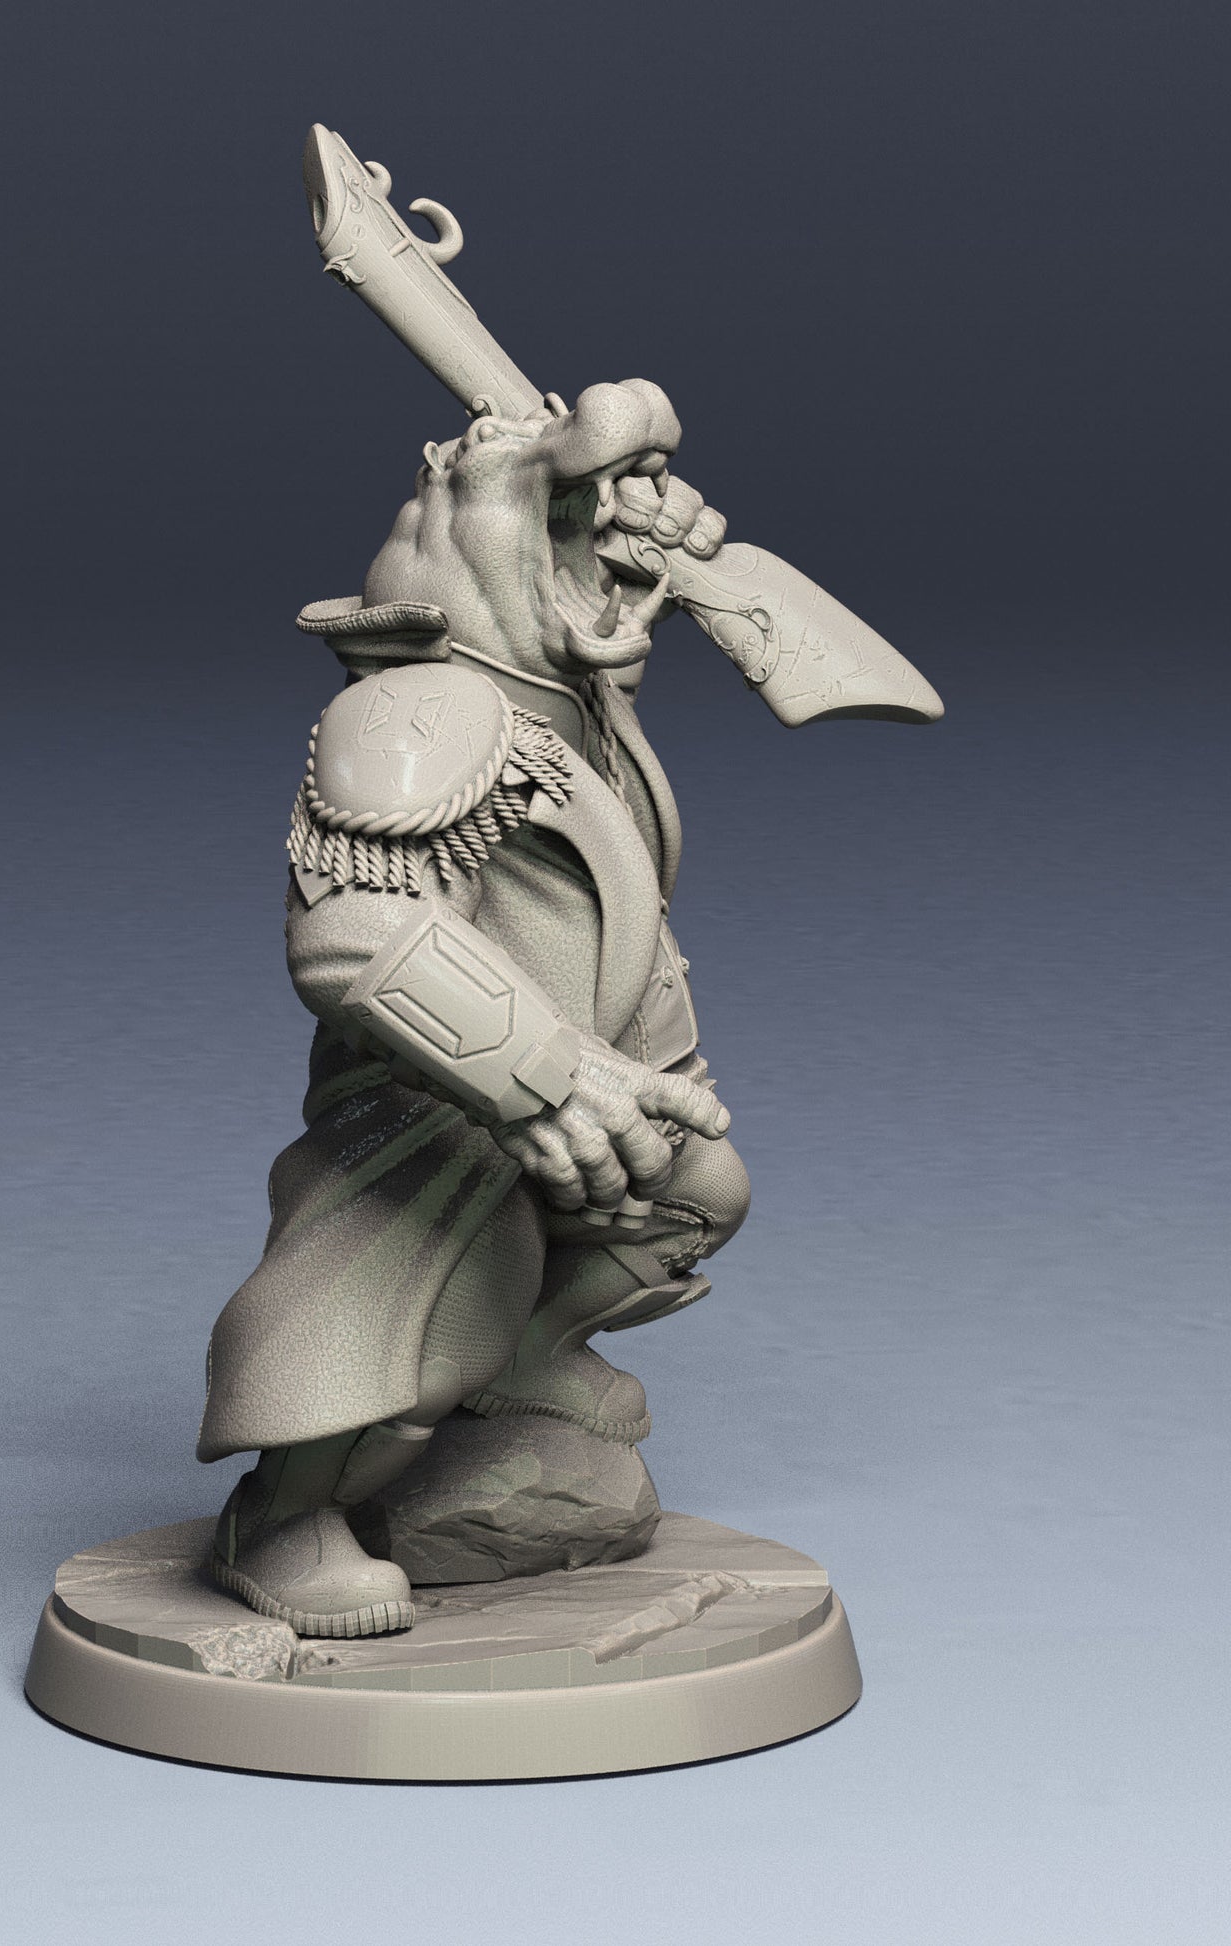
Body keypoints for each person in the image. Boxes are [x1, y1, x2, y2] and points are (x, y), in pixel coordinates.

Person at [198, 380, 752, 1637]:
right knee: (429, 1315)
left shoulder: (565, 705)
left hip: (601, 1084)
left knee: (693, 1200)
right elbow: (347, 931)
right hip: (441, 1107)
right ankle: (280, 1518)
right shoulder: (419, 708)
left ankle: (525, 1364)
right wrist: (543, 1073)